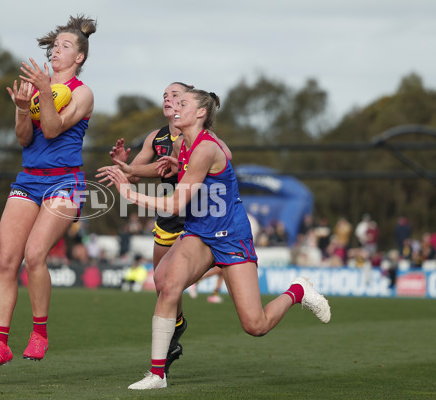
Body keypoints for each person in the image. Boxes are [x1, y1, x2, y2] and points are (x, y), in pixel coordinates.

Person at [103, 88, 331, 390]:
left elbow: (175, 205)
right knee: (166, 284)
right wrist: (143, 169)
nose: (175, 106)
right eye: (173, 101)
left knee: (255, 325)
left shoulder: (205, 149)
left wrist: (128, 193)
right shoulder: (182, 143)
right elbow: (171, 171)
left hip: (230, 236)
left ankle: (298, 291)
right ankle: (156, 375)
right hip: (198, 232)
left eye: (183, 102)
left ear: (200, 113)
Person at [0, 14, 97, 373]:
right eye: (54, 45)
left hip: (65, 181)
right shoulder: (37, 89)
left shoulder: (82, 93)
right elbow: (25, 138)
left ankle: (39, 334)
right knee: (6, 261)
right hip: (29, 179)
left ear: (79, 57)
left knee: (34, 255)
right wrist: (20, 108)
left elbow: (52, 127)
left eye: (64, 46)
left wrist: (44, 91)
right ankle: (0, 344)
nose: (56, 50)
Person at [97, 82, 232, 374]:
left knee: (173, 283)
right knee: (162, 284)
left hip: (196, 214)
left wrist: (134, 177)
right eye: (166, 96)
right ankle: (177, 326)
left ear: (190, 105)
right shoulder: (157, 138)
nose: (170, 100)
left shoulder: (199, 138)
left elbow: (225, 158)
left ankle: (168, 341)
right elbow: (134, 174)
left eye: (177, 96)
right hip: (170, 216)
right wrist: (124, 167)